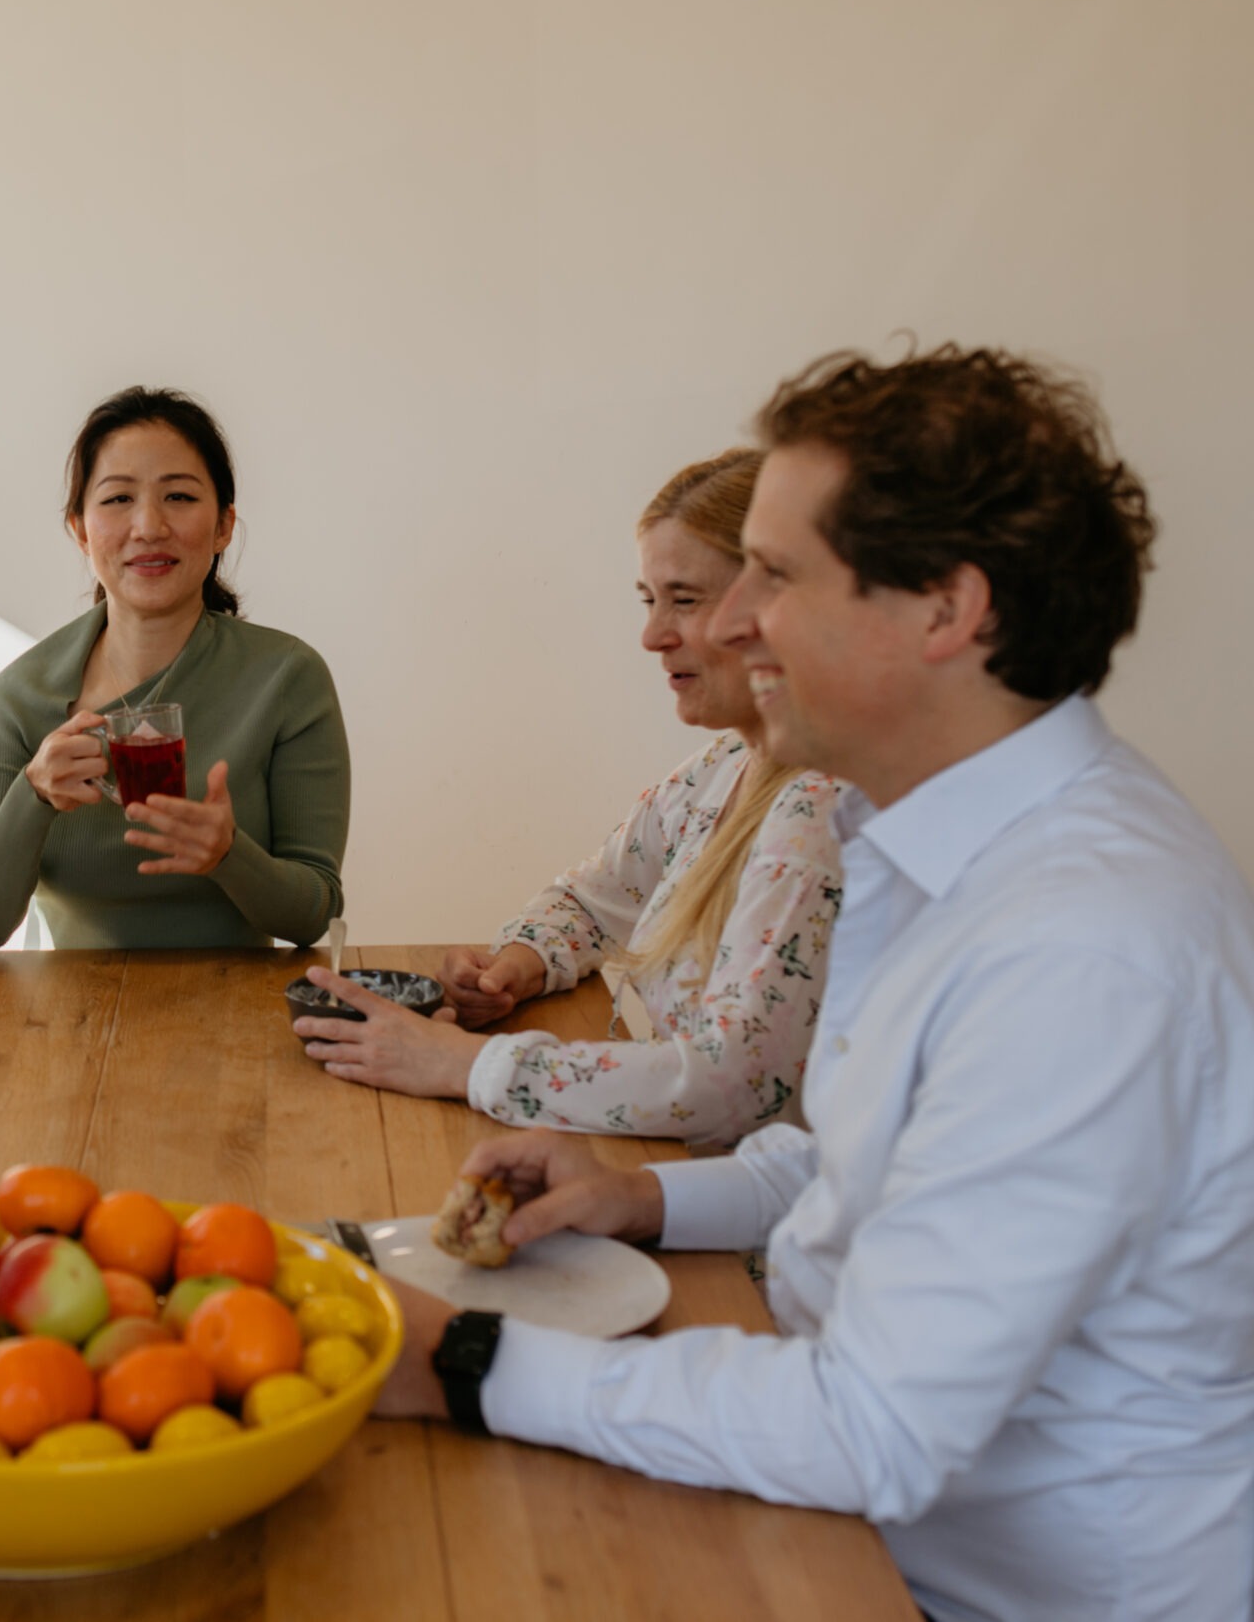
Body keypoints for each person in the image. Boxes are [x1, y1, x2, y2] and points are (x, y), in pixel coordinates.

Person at [371, 347, 1254, 1622]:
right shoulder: (921, 843)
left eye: (773, 577)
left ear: (946, 608)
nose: (727, 624)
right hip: (868, 1526)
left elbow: (872, 1424)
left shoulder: (1087, 943)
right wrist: (637, 1197)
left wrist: (459, 1358)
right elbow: (852, 1160)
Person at [295, 451, 843, 1142]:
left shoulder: (820, 805)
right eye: (649, 600)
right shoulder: (725, 764)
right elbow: (590, 899)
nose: (652, 636)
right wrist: (516, 968)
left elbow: (727, 1084)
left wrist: (465, 1062)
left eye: (686, 598)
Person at [0, 387, 349, 952]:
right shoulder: (22, 695)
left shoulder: (287, 677)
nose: (149, 526)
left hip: (242, 1019)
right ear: (80, 530)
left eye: (179, 496)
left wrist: (229, 855)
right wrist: (32, 794)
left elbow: (313, 913)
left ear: (224, 525)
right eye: (117, 499)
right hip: (69, 1025)